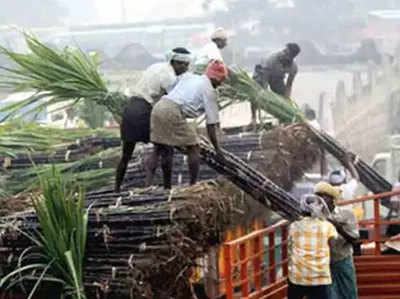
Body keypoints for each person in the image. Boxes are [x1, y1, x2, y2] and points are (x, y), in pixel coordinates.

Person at [114, 47, 191, 193]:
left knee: (126, 155)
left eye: (187, 65)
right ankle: (165, 188)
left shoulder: (155, 66)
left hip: (130, 109)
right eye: (183, 65)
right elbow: (173, 101)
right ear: (174, 62)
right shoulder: (170, 78)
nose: (185, 68)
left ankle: (116, 189)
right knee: (166, 149)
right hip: (145, 111)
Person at [146, 60, 228, 189]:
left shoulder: (190, 76)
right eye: (221, 80)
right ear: (215, 77)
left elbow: (170, 89)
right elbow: (211, 125)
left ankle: (148, 185)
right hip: (172, 111)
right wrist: (218, 150)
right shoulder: (210, 92)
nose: (221, 83)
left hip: (159, 107)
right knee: (194, 147)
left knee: (158, 148)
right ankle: (193, 185)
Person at [315, 182, 360, 299]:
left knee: (349, 294)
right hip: (323, 264)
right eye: (317, 195)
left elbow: (355, 240)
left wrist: (338, 228)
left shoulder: (346, 214)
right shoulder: (313, 217)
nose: (319, 198)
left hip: (343, 261)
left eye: (323, 195)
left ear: (331, 198)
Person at [288, 193, 338, 299]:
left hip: (298, 276)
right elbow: (333, 247)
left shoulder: (294, 226)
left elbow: (290, 246)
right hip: (320, 277)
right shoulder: (328, 227)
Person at [251, 43, 301, 130]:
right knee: (255, 93)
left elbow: (289, 85)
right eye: (284, 50)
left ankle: (283, 120)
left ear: (291, 57)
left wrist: (287, 100)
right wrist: (264, 93)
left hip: (277, 76)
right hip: (262, 73)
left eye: (286, 52)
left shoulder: (293, 67)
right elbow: (265, 79)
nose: (283, 53)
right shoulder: (271, 59)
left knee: (282, 96)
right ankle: (253, 118)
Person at [329, 154, 363, 220]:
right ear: (344, 180)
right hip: (348, 219)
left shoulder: (327, 191)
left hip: (333, 220)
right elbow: (356, 178)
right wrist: (348, 163)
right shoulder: (346, 188)